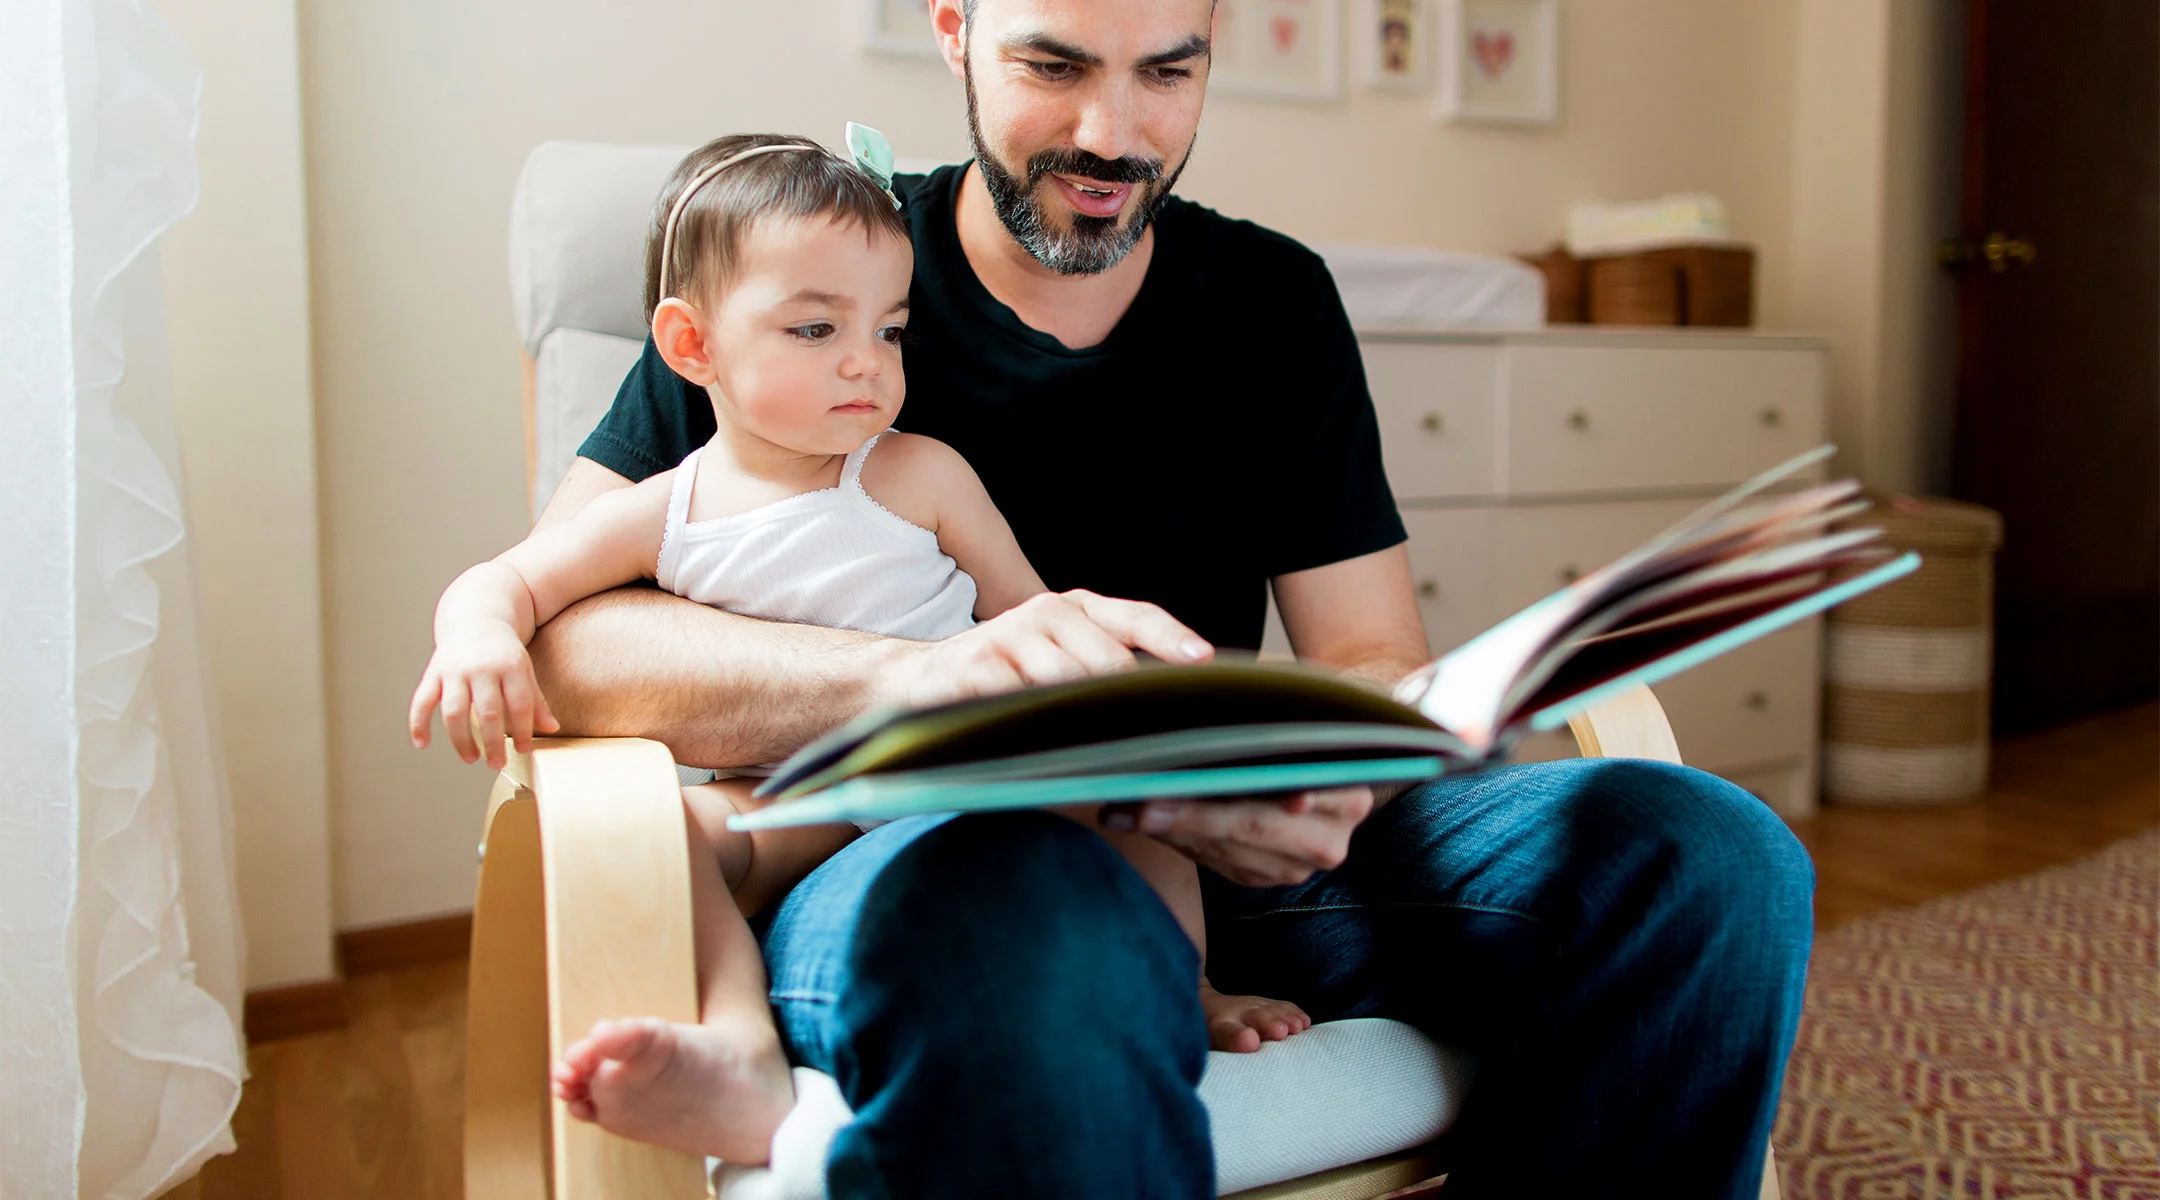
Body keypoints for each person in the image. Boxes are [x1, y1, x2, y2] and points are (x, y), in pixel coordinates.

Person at [527, 0, 1816, 1196]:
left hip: (1223, 859)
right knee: (1042, 923)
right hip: (913, 848)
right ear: (955, 30)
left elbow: (1370, 648)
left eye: (1169, 70)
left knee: (1703, 856)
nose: (1112, 135)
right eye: (1055, 65)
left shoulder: (1274, 303)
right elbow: (567, 635)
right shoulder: (819, 276)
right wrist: (927, 681)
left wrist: (1297, 766)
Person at [408, 130, 1312, 1164]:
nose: (864, 364)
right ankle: (739, 1049)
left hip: (957, 779)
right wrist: (477, 631)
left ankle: (1189, 988)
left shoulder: (919, 474)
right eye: (813, 328)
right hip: (787, 800)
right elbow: (520, 581)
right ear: (690, 345)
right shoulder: (667, 507)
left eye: (888, 331)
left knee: (1130, 806)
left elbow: (1031, 615)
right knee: (674, 835)